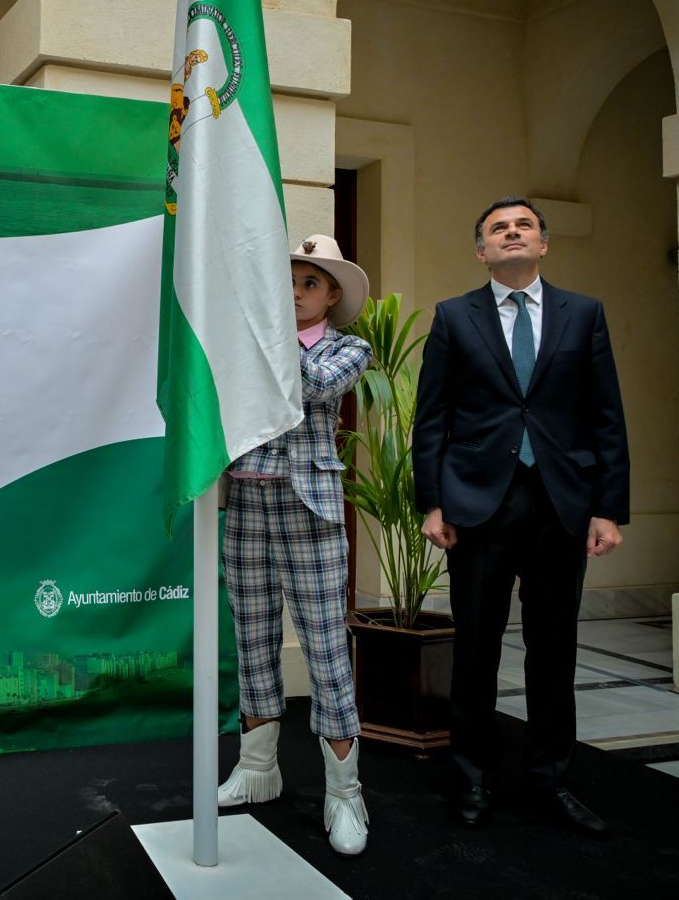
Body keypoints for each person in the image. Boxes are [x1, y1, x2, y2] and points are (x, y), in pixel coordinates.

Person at [412, 197, 629, 836]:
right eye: (498, 229)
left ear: (543, 243)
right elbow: (433, 419)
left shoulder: (585, 313)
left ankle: (549, 781)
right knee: (476, 650)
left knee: (553, 649)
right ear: (481, 250)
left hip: (564, 504)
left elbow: (606, 416)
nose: (512, 233)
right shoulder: (454, 317)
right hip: (480, 503)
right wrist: (432, 501)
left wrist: (608, 508)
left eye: (523, 225)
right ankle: (473, 780)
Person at [216, 233, 373, 857]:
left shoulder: (348, 349)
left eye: (309, 283)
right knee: (251, 636)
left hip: (310, 507)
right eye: (288, 281)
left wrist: (265, 327)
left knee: (326, 647)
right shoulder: (252, 339)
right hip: (247, 501)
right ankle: (258, 769)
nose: (295, 292)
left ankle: (345, 792)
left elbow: (307, 388)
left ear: (333, 295)